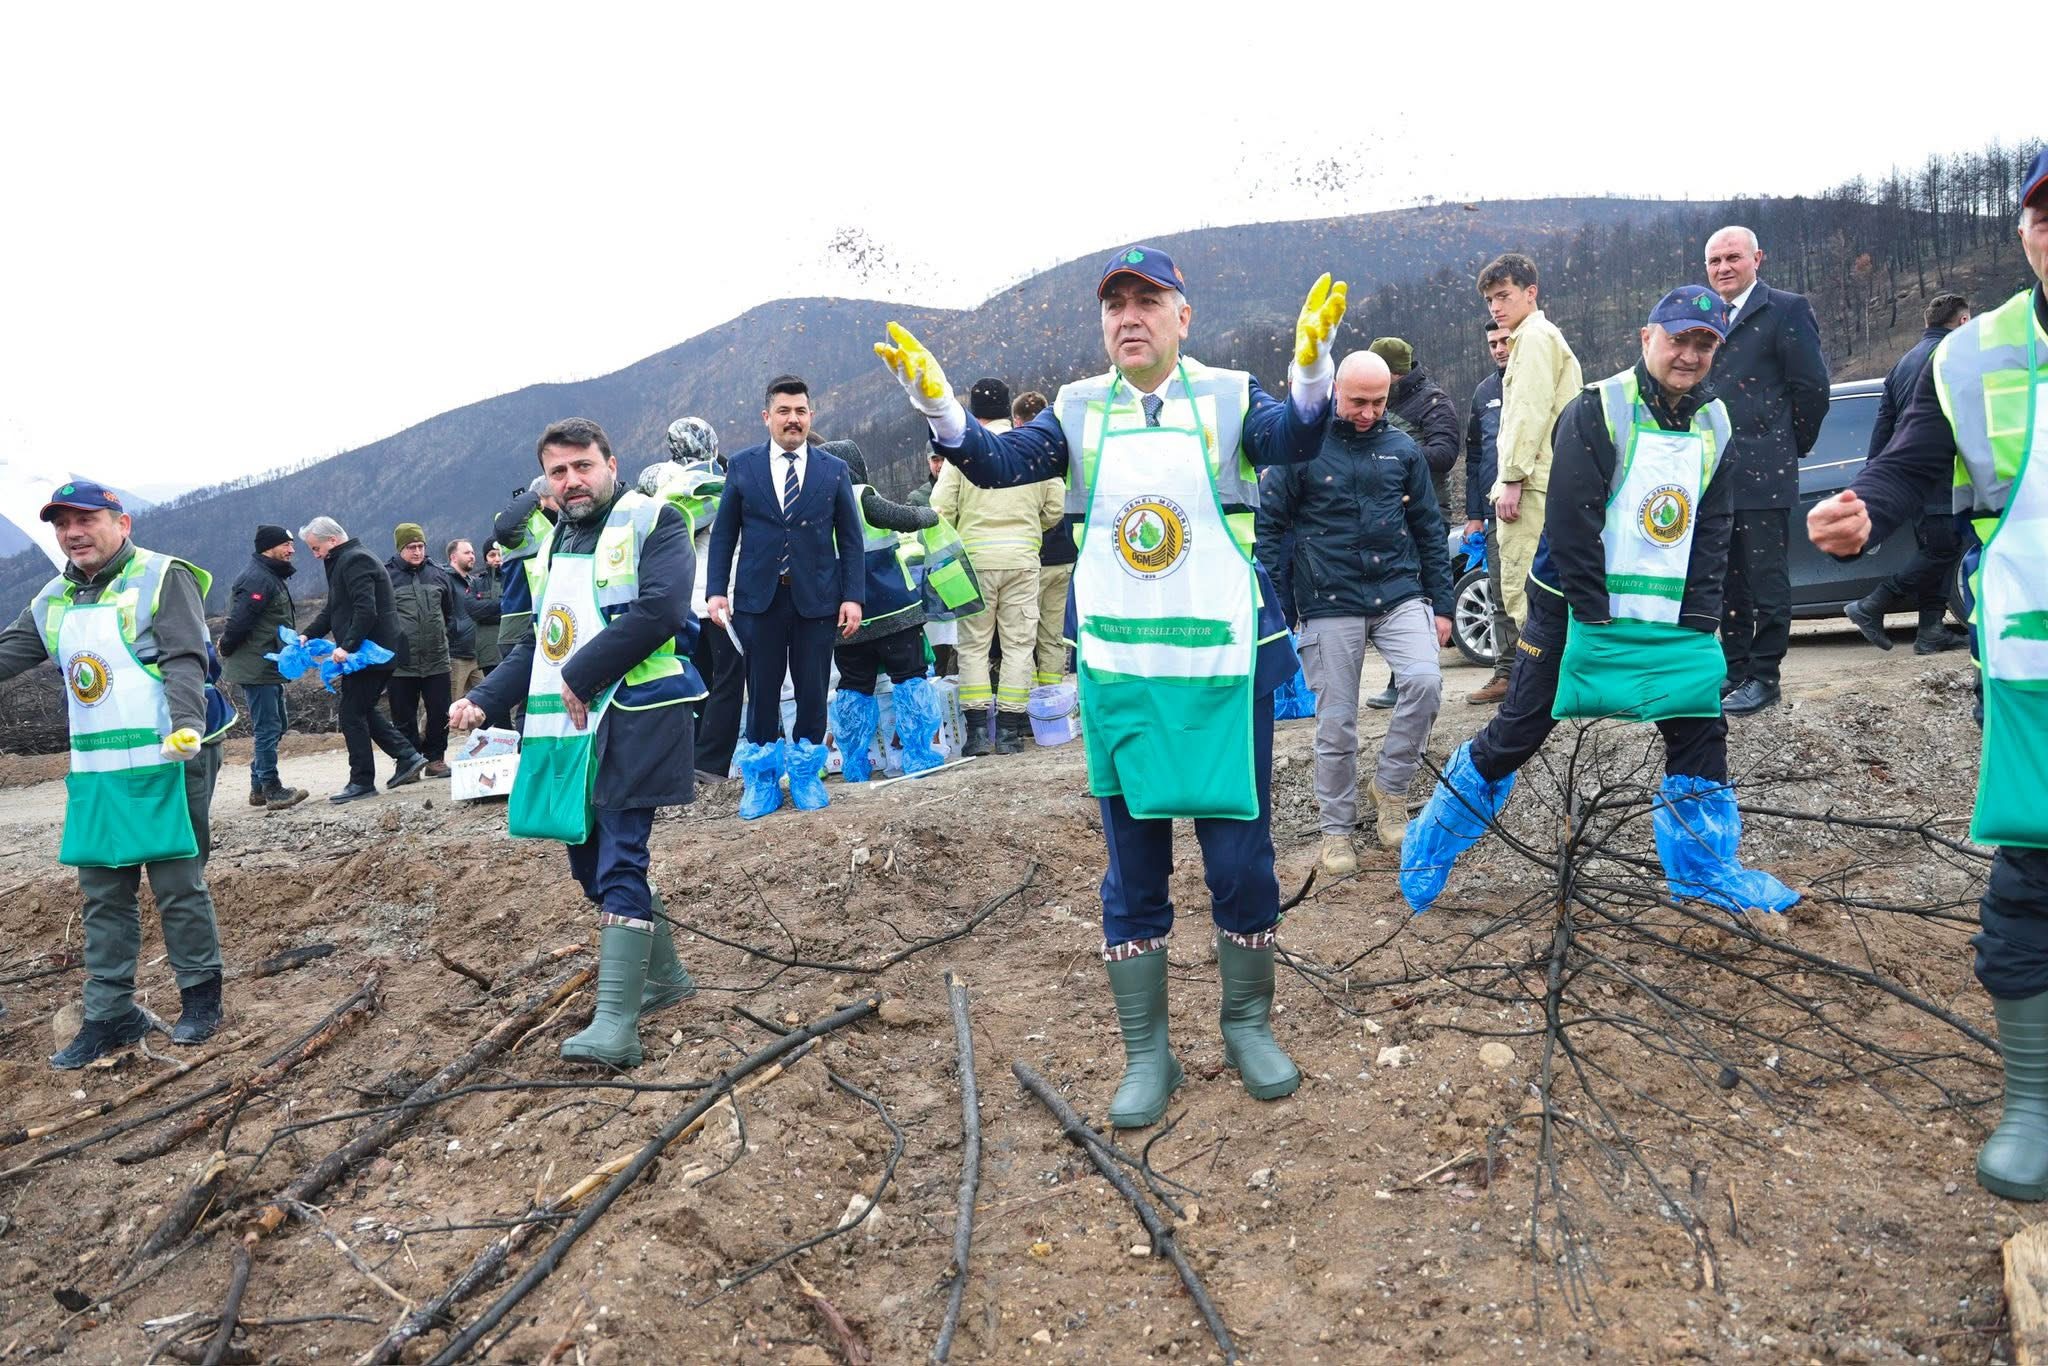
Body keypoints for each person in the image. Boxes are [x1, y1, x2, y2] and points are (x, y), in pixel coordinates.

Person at [874, 244, 1346, 1126]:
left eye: (1147, 300)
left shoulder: (1232, 396)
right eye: (1114, 304)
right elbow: (997, 461)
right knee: (1133, 864)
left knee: (1240, 859)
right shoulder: (1079, 410)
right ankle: (1148, 1054)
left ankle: (1247, 1026)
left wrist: (1312, 370)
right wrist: (939, 406)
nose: (1129, 316)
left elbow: (1297, 436)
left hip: (1219, 668)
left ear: (1182, 316)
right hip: (1124, 674)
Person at [1807, 150, 2048, 1201]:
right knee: (2032, 876)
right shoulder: (1974, 353)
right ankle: (2033, 1102)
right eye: (2040, 210)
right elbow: (1911, 463)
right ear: (2021, 231)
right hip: (2037, 664)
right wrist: (1863, 507)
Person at [1404, 287, 1798, 921]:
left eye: (1705, 343)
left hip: (1668, 611)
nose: (1690, 354)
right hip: (1573, 605)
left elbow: (1713, 523)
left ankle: (1705, 874)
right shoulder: (1599, 409)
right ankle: (1429, 848)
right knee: (1520, 730)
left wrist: (1699, 620)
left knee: (1699, 732)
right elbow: (1570, 522)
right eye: (1678, 339)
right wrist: (1596, 621)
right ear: (1648, 339)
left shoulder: (1715, 420)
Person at [453, 417, 703, 1068]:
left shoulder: (655, 521)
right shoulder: (548, 546)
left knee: (622, 857)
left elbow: (662, 613)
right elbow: (542, 641)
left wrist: (583, 674)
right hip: (570, 730)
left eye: (582, 466)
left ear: (611, 463)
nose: (572, 480)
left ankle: (617, 1025)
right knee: (589, 866)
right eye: (558, 472)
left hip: (637, 715)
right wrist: (481, 700)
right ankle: (666, 978)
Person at [0, 481, 237, 1066]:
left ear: (121, 522)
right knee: (103, 889)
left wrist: (185, 724)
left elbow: (185, 656)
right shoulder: (52, 599)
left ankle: (201, 998)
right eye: (62, 524)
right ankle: (109, 1014)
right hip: (99, 765)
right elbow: (6, 653)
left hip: (170, 752)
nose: (73, 533)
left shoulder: (163, 576)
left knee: (178, 881)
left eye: (86, 519)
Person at [1256, 351, 1452, 875]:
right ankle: (1337, 829)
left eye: (1379, 402)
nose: (1368, 412)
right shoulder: (1301, 449)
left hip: (1398, 591)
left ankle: (1390, 790)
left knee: (1426, 682)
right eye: (1357, 402)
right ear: (1335, 391)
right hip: (1327, 598)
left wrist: (1443, 603)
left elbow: (1429, 528)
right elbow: (1270, 531)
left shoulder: (1401, 448)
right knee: (1336, 724)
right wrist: (1278, 610)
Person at [705, 375, 865, 818]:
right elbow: (723, 535)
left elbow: (850, 539)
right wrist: (717, 590)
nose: (792, 419)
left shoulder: (833, 469)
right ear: (767, 417)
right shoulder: (743, 466)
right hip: (760, 600)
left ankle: (807, 775)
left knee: (813, 688)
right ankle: (760, 781)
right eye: (783, 411)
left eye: (800, 411)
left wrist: (853, 596)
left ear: (810, 415)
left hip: (817, 600)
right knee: (761, 689)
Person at [1703, 225, 1831, 716]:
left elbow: (1812, 387)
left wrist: (1788, 446)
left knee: (1765, 579)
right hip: (1715, 475)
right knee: (1727, 581)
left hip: (1766, 471)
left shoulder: (1785, 308)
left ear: (1757, 257)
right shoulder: (1707, 316)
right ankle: (1734, 671)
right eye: (1715, 262)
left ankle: (1765, 675)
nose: (1723, 269)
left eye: (1732, 257)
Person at [932, 377, 1063, 754]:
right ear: (1008, 410)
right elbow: (1054, 507)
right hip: (1023, 560)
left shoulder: (963, 453)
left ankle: (976, 734)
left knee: (973, 646)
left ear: (973, 413)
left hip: (975, 563)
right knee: (1020, 644)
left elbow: (941, 509)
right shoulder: (1034, 448)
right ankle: (1009, 731)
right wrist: (1027, 528)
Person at [1842, 292, 1974, 655]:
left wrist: (1877, 477)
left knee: (1941, 548)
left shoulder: (1901, 364)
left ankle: (1930, 631)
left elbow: (1883, 424)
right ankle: (1871, 605)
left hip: (1910, 474)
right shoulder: (1955, 356)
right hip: (1940, 470)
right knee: (1943, 548)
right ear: (1962, 322)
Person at [816, 438, 947, 780]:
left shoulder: (814, 507)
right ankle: (917, 755)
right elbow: (905, 518)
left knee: (854, 688)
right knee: (909, 680)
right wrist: (933, 514)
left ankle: (855, 763)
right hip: (893, 615)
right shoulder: (862, 497)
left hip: (845, 623)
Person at [1482, 252, 1583, 637]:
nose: (1496, 306)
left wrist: (1512, 477)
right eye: (1490, 299)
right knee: (1543, 591)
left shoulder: (1535, 338)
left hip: (1533, 483)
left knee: (1528, 594)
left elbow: (1529, 411)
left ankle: (1540, 690)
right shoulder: (1538, 336)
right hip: (1546, 479)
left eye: (1504, 295)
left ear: (1530, 293)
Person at [1360, 336, 1461, 710]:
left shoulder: (1433, 403)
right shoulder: (1389, 401)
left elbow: (1446, 453)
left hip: (1427, 510)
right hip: (1392, 510)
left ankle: (1406, 681)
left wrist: (1393, 453)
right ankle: (1403, 679)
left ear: (1394, 373)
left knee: (1414, 594)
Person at [300, 516, 430, 802]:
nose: (314, 554)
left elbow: (365, 610)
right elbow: (334, 607)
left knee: (351, 713)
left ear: (332, 540)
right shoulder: (342, 561)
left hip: (372, 652)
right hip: (372, 651)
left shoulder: (354, 560)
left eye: (315, 547)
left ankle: (362, 781)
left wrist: (347, 646)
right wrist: (307, 635)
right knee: (361, 708)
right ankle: (407, 756)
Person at [661, 416, 743, 783]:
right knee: (729, 680)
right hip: (720, 599)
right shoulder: (712, 485)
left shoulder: (662, 489)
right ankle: (710, 763)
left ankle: (689, 756)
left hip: (683, 603)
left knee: (699, 682)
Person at [217, 522, 307, 809]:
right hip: (257, 665)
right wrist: (226, 646)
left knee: (277, 723)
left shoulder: (269, 575)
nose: (292, 550)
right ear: (269, 547)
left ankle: (258, 786)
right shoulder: (259, 579)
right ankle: (272, 788)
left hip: (268, 663)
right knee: (268, 727)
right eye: (286, 545)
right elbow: (240, 621)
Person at [1465, 319, 1517, 705]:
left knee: (1542, 592)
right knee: (1500, 592)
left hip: (1539, 506)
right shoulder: (1484, 392)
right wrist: (1474, 513)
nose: (1499, 348)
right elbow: (1475, 457)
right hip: (1495, 509)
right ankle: (1506, 672)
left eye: (1505, 340)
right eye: (1493, 343)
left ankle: (1550, 671)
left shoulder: (1538, 381)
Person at [385, 524, 458, 778]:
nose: (417, 552)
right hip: (401, 662)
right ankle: (410, 761)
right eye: (411, 547)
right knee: (403, 715)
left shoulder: (438, 574)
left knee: (440, 711)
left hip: (436, 657)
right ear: (400, 548)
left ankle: (435, 758)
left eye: (420, 546)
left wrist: (440, 636)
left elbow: (448, 612)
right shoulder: (386, 577)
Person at [1016, 389, 1076, 688]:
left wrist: (1029, 529)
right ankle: (1052, 696)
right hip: (1066, 555)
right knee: (1053, 635)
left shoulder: (1026, 455)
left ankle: (1026, 702)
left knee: (1022, 637)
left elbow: (1051, 508)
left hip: (1034, 559)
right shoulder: (1065, 447)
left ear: (1017, 421)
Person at [493, 476, 560, 655]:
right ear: (542, 500)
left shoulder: (557, 524)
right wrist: (531, 497)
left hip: (546, 623)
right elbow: (506, 528)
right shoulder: (527, 525)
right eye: (556, 498)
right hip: (521, 629)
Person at [446, 538, 499, 691]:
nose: (472, 556)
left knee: (482, 704)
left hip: (476, 654)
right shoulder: (444, 580)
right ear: (453, 557)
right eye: (467, 552)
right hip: (456, 656)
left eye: (473, 553)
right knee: (449, 707)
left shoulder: (475, 582)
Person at [478, 544, 506, 670]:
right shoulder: (477, 584)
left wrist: (490, 611)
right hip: (489, 653)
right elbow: (475, 611)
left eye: (500, 554)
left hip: (513, 647)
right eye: (492, 555)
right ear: (485, 559)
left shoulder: (514, 579)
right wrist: (503, 607)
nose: (497, 558)